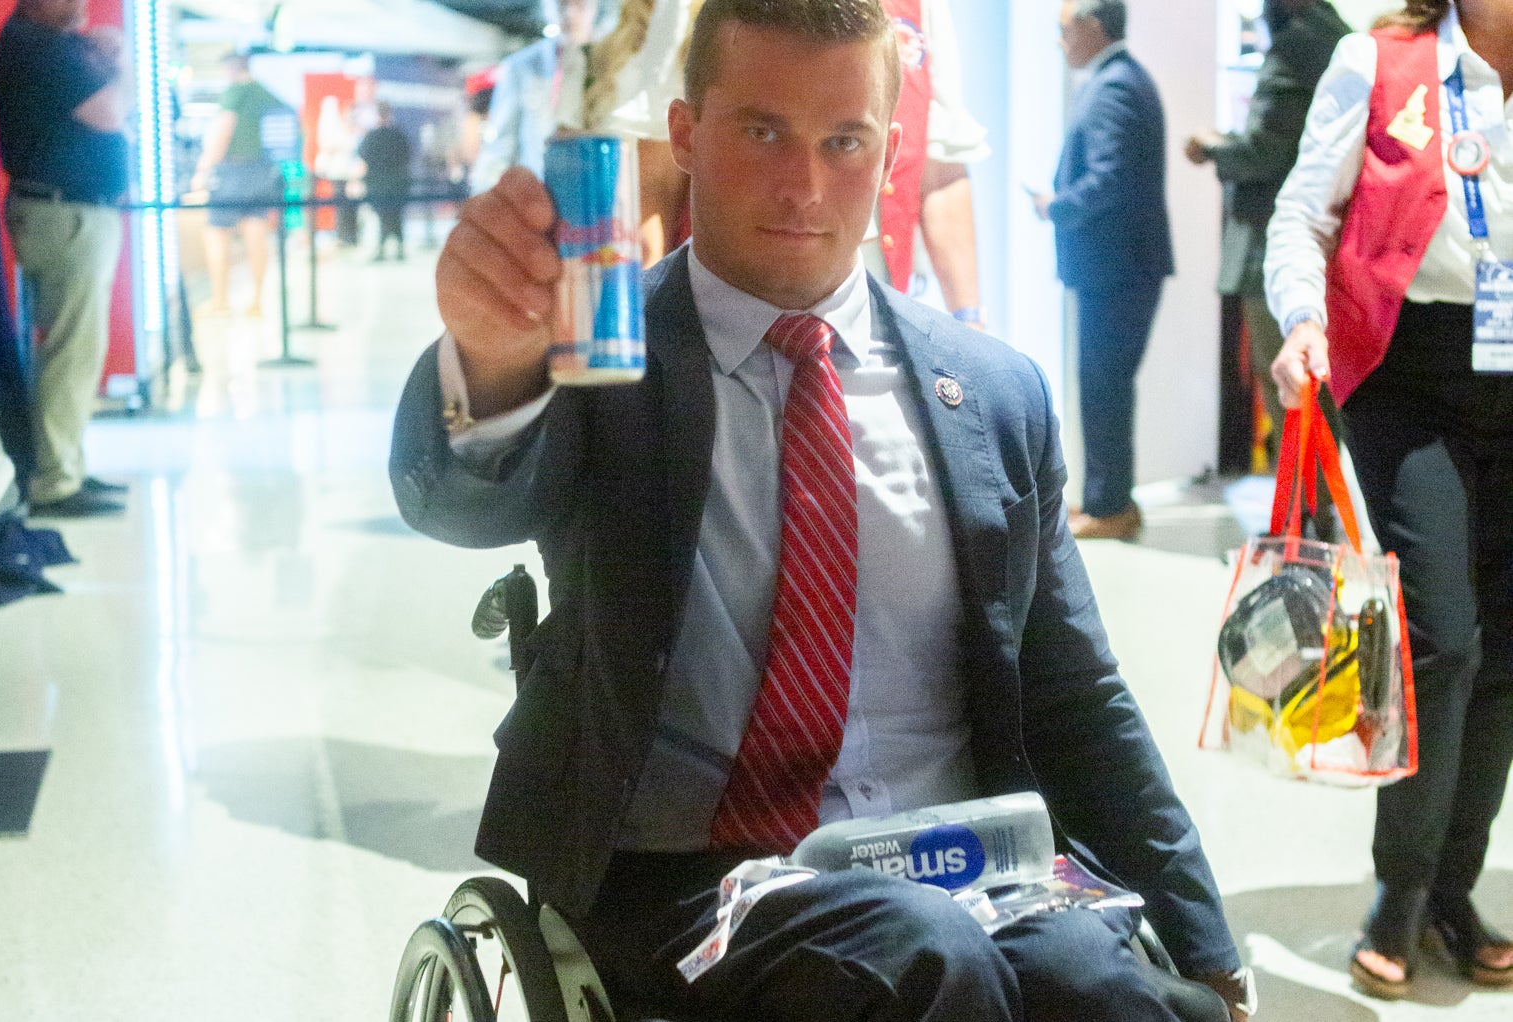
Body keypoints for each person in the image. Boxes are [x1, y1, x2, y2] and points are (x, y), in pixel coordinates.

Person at [392, 2, 1255, 1019]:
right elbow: (460, 497)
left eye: (843, 141)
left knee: (1107, 987)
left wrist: (1207, 946)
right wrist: (492, 361)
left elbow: (1073, 692)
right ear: (686, 135)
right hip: (691, 875)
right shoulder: (604, 361)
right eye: (762, 131)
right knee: (923, 960)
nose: (803, 185)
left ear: (888, 154)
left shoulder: (990, 393)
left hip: (963, 857)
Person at [1265, 0, 1513, 999]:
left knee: (1506, 647)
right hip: (1412, 376)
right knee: (1445, 638)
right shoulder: (1378, 61)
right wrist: (1297, 320)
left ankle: (1456, 888)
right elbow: (1301, 212)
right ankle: (1400, 887)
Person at [571, 0, 989, 321]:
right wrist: (641, 318)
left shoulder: (920, 7)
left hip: (874, 295)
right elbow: (658, 165)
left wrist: (968, 319)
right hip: (721, 307)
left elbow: (939, 167)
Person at [1185, 0, 1348, 522]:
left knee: (1290, 389)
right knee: (1311, 390)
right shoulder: (1335, 35)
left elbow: (1268, 151)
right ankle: (1312, 519)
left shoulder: (1299, 42)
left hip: (1276, 247)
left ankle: (1305, 529)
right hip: (1325, 245)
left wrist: (1213, 150)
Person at [1030, 0, 1172, 542]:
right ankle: (1107, 501)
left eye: (1062, 29)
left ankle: (1110, 506)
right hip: (1118, 267)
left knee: (1104, 387)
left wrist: (1055, 205)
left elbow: (1109, 181)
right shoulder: (1121, 78)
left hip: (1118, 268)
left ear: (1092, 27)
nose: (1059, 41)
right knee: (1103, 386)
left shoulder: (1116, 84)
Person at [0, 0, 130, 518]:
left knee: (75, 349)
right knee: (72, 351)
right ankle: (56, 479)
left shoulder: (43, 43)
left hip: (64, 209)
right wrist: (114, 62)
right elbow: (110, 113)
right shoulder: (40, 46)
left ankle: (64, 462)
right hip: (64, 212)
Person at [189, 53, 288, 318]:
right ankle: (257, 300)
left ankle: (220, 300)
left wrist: (204, 168)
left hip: (232, 172)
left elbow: (224, 127)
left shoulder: (235, 92)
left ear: (232, 69)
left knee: (216, 233)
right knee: (256, 232)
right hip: (262, 172)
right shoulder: (264, 92)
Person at [468, 0, 602, 192]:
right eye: (562, 5)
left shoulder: (609, 66)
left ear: (594, 6)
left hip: (595, 196)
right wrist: (482, 202)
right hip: (537, 200)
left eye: (579, 4)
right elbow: (499, 148)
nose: (570, 14)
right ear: (549, 7)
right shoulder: (520, 67)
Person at [358, 101, 415, 262]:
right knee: (395, 216)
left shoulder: (373, 136)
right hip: (396, 183)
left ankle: (387, 248)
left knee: (384, 216)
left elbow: (364, 154)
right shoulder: (398, 135)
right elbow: (407, 155)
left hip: (379, 184)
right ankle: (396, 248)